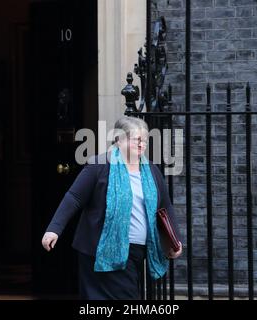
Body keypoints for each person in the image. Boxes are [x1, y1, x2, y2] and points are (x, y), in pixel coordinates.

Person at [41, 116, 183, 300]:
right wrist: (54, 229)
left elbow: (165, 206)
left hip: (136, 252)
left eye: (145, 140)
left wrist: (174, 240)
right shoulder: (99, 166)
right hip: (97, 250)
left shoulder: (151, 171)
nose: (143, 145)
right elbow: (74, 198)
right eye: (137, 140)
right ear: (119, 139)